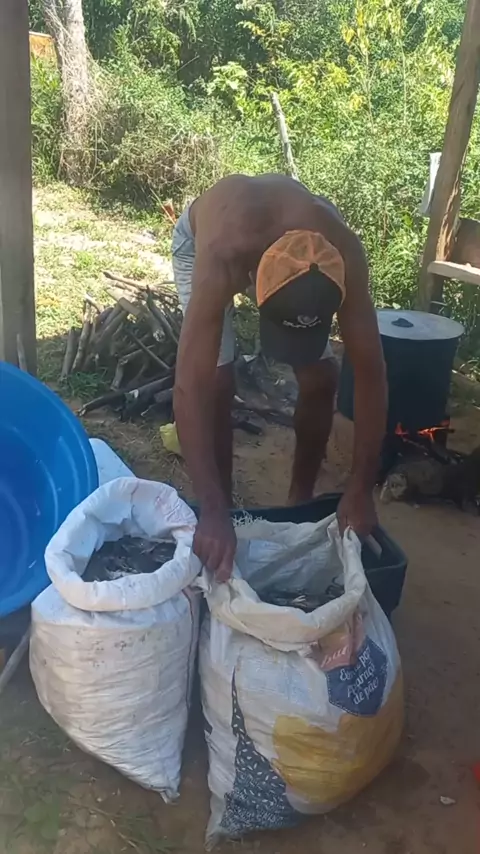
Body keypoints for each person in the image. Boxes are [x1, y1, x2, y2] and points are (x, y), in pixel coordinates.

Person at [172, 173, 387, 581]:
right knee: (216, 383)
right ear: (257, 286)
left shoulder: (343, 254)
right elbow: (188, 387)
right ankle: (225, 509)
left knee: (322, 378)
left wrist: (361, 488)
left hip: (287, 249)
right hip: (200, 241)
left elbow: (371, 373)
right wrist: (212, 512)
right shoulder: (223, 254)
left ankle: (298, 502)